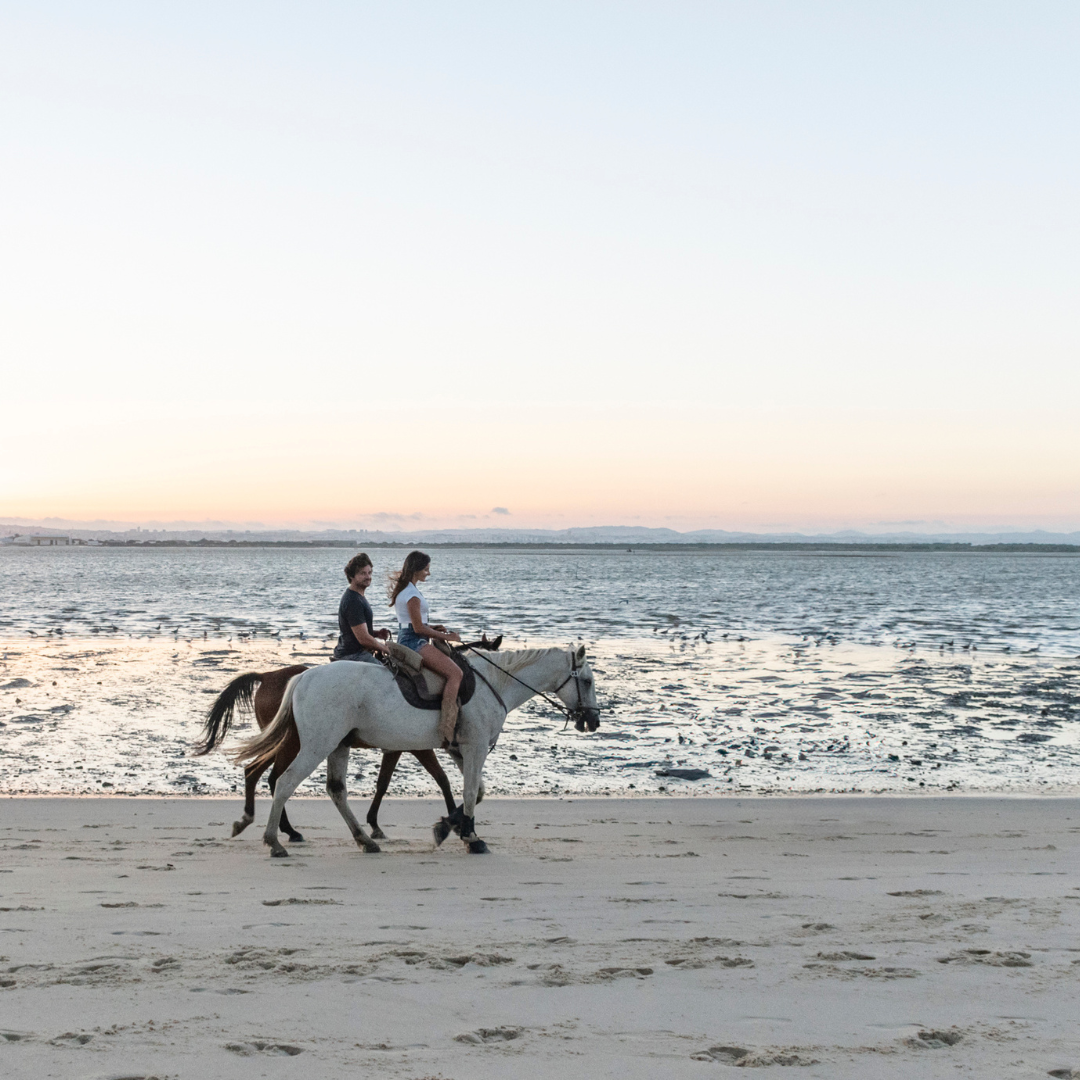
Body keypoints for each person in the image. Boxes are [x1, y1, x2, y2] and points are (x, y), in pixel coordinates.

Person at [389, 550, 462, 744]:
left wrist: (432, 627)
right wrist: (447, 636)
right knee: (456, 674)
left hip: (409, 636)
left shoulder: (406, 589)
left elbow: (413, 623)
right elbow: (418, 628)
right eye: (426, 569)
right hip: (413, 641)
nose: (428, 573)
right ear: (417, 569)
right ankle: (447, 727)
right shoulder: (412, 594)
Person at [332, 553, 392, 663]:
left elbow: (355, 632)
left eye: (369, 573)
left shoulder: (358, 597)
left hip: (356, 652)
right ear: (351, 576)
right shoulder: (353, 601)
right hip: (353, 655)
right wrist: (385, 649)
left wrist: (377, 634)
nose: (368, 577)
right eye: (363, 573)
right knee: (388, 675)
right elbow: (363, 639)